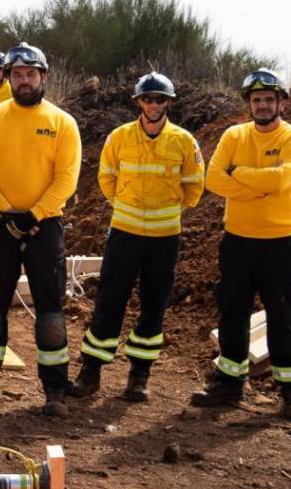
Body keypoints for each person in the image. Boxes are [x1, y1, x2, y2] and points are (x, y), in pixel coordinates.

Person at [67, 73, 203, 403]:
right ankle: (91, 372)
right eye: (148, 99)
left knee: (153, 307)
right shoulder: (119, 138)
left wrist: (164, 211)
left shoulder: (184, 142)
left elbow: (194, 187)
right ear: (138, 103)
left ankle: (139, 375)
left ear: (168, 103)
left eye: (160, 99)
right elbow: (106, 178)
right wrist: (126, 206)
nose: (153, 105)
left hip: (164, 238)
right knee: (109, 302)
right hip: (125, 235)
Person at [0, 43, 82, 416]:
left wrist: (34, 214)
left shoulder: (62, 122)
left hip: (44, 227)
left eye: (31, 74)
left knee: (50, 309)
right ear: (7, 78)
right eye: (17, 75)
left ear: (43, 77)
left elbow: (67, 177)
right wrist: (7, 212)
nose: (24, 81)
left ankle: (55, 390)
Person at [191, 69, 291, 422]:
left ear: (281, 102)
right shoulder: (234, 135)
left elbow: (284, 178)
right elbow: (213, 178)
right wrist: (260, 184)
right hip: (238, 240)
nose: (262, 105)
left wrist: (239, 174)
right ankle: (229, 383)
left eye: (269, 100)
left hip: (280, 241)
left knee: (284, 315)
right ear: (249, 104)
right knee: (232, 313)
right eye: (256, 100)